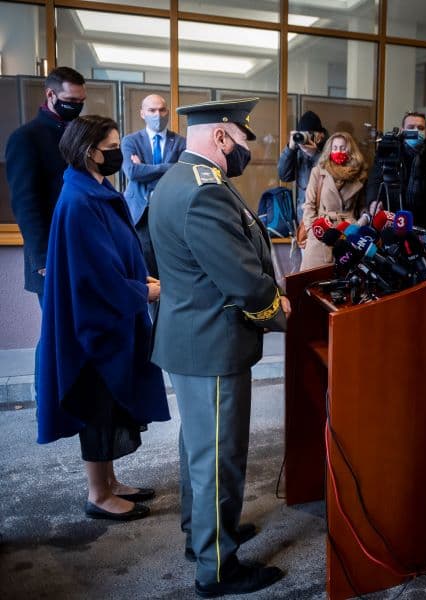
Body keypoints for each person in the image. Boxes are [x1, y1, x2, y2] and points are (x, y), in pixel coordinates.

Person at [149, 98, 290, 597]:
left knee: (199, 448)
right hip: (212, 343)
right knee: (218, 457)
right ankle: (217, 568)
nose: (246, 151)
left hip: (193, 337)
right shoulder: (204, 192)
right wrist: (279, 313)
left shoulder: (176, 180)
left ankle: (203, 534)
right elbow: (244, 281)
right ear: (222, 138)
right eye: (243, 141)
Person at [37, 114, 170, 522]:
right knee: (96, 406)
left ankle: (110, 481)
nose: (117, 153)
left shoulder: (94, 189)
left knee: (110, 405)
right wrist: (139, 291)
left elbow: (112, 251)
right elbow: (93, 274)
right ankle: (98, 494)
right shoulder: (79, 201)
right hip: (93, 328)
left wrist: (135, 276)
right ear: (88, 151)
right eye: (111, 147)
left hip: (109, 319)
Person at [6, 66, 86, 397]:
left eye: (81, 100)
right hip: (51, 254)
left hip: (81, 248)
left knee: (77, 325)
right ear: (50, 94)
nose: (77, 106)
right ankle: (47, 398)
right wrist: (42, 258)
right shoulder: (26, 138)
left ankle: (73, 393)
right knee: (55, 328)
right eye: (70, 100)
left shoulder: (78, 133)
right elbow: (26, 205)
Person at [121, 94, 186, 278]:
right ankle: (151, 306)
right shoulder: (130, 141)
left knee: (170, 266)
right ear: (142, 113)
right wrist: (168, 167)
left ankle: (166, 305)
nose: (158, 114)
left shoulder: (181, 142)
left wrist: (145, 169)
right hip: (141, 214)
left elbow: (181, 174)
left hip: (169, 212)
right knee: (145, 270)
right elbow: (132, 172)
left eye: (162, 109)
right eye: (152, 110)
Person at [366, 111, 426, 242]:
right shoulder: (389, 154)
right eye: (411, 127)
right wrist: (373, 201)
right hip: (394, 220)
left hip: (424, 226)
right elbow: (375, 179)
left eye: (420, 128)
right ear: (402, 130)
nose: (416, 131)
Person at [300, 131, 368, 271]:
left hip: (348, 231)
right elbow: (309, 205)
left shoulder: (359, 175)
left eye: (342, 148)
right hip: (321, 231)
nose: (338, 151)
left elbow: (362, 206)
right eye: (335, 148)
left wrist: (363, 220)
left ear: (350, 150)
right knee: (313, 279)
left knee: (346, 282)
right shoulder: (319, 172)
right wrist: (312, 230)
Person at [278, 110, 328, 217]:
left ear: (320, 135)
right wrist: (290, 149)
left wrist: (315, 154)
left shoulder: (330, 148)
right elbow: (284, 176)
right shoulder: (297, 151)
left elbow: (331, 175)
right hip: (303, 214)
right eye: (303, 134)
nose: (306, 138)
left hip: (324, 213)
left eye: (310, 134)